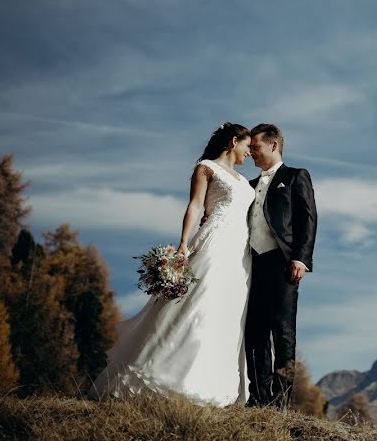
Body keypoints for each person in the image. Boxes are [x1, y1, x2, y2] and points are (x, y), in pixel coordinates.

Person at [88, 123, 255, 406]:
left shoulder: (243, 181)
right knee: (198, 304)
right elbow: (195, 206)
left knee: (228, 313)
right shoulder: (206, 168)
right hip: (215, 242)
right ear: (232, 142)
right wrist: (183, 243)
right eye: (247, 146)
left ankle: (211, 383)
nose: (249, 153)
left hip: (241, 254)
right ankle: (167, 376)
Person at [244, 123, 317, 407]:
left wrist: (301, 257)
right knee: (255, 332)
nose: (251, 154)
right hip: (251, 266)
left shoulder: (296, 176)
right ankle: (259, 397)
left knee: (283, 332)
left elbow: (307, 218)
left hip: (282, 263)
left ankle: (282, 402)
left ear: (273, 145)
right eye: (249, 149)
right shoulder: (248, 187)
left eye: (256, 148)